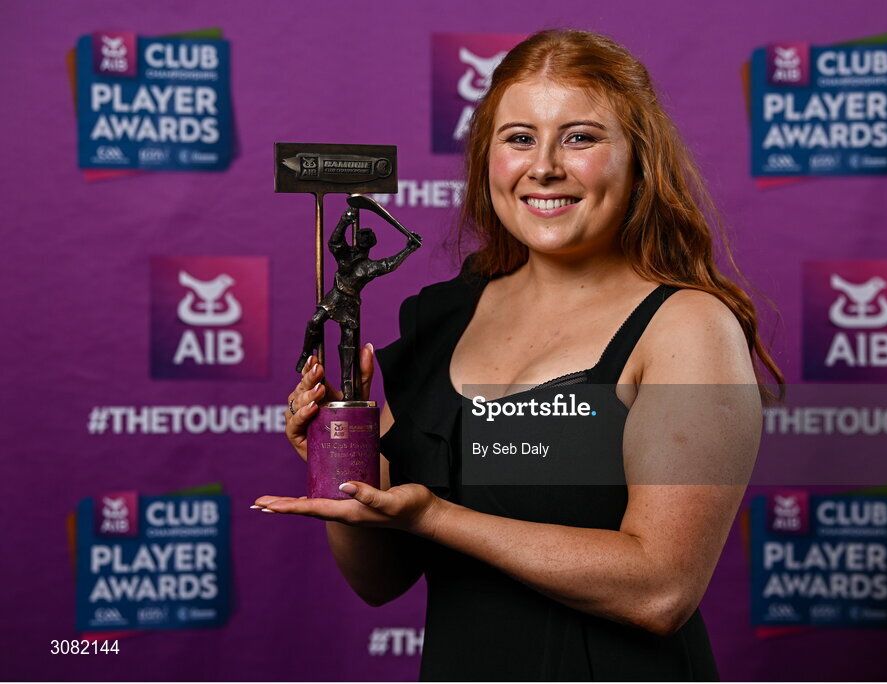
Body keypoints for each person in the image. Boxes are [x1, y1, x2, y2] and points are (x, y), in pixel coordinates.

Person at [255, 29, 783, 681]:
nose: (545, 167)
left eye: (581, 137)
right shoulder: (439, 318)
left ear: (638, 160)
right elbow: (380, 580)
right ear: (487, 160)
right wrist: (341, 463)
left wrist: (437, 517)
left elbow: (660, 591)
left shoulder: (687, 327)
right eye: (519, 137)